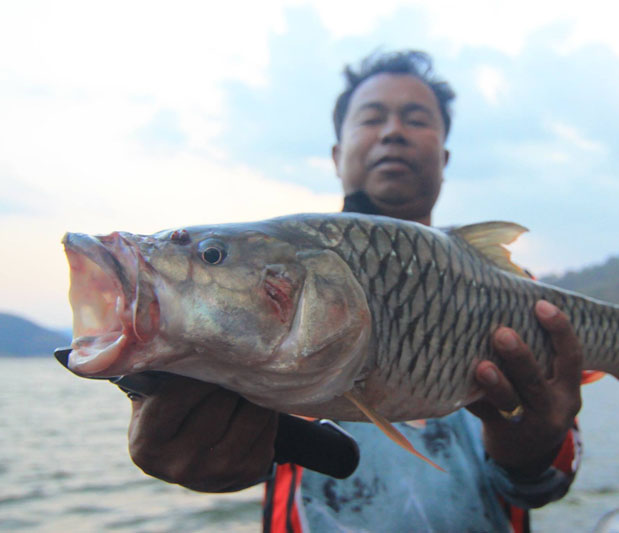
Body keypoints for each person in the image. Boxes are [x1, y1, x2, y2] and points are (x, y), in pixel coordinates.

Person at [128, 50, 584, 532]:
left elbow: (545, 485)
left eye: (416, 119)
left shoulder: (522, 297)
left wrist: (533, 455)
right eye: (372, 118)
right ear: (336, 154)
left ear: (445, 158)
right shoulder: (268, 282)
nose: (393, 131)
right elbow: (228, 451)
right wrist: (206, 445)